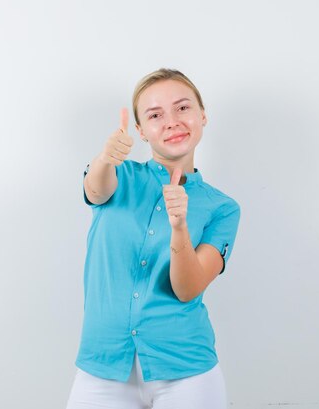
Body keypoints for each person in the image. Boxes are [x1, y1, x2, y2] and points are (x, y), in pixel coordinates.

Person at [65, 68, 241, 409]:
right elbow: (96, 189)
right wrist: (105, 157)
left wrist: (179, 229)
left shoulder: (223, 208)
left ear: (203, 115)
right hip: (103, 367)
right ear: (142, 131)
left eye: (183, 108)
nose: (172, 121)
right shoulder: (119, 175)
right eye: (155, 115)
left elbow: (187, 288)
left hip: (187, 374)